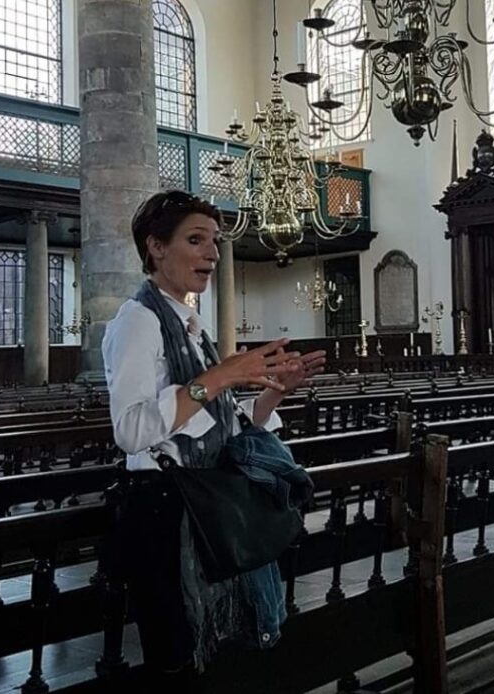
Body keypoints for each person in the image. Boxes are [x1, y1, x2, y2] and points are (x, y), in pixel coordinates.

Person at [101, 190, 326, 690]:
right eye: (196, 240)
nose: (213, 254)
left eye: (216, 242)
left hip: (204, 504)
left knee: (219, 660)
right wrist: (220, 377)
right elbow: (132, 430)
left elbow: (216, 424)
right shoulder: (138, 321)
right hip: (163, 513)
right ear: (156, 248)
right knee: (179, 660)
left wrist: (272, 395)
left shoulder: (189, 324)